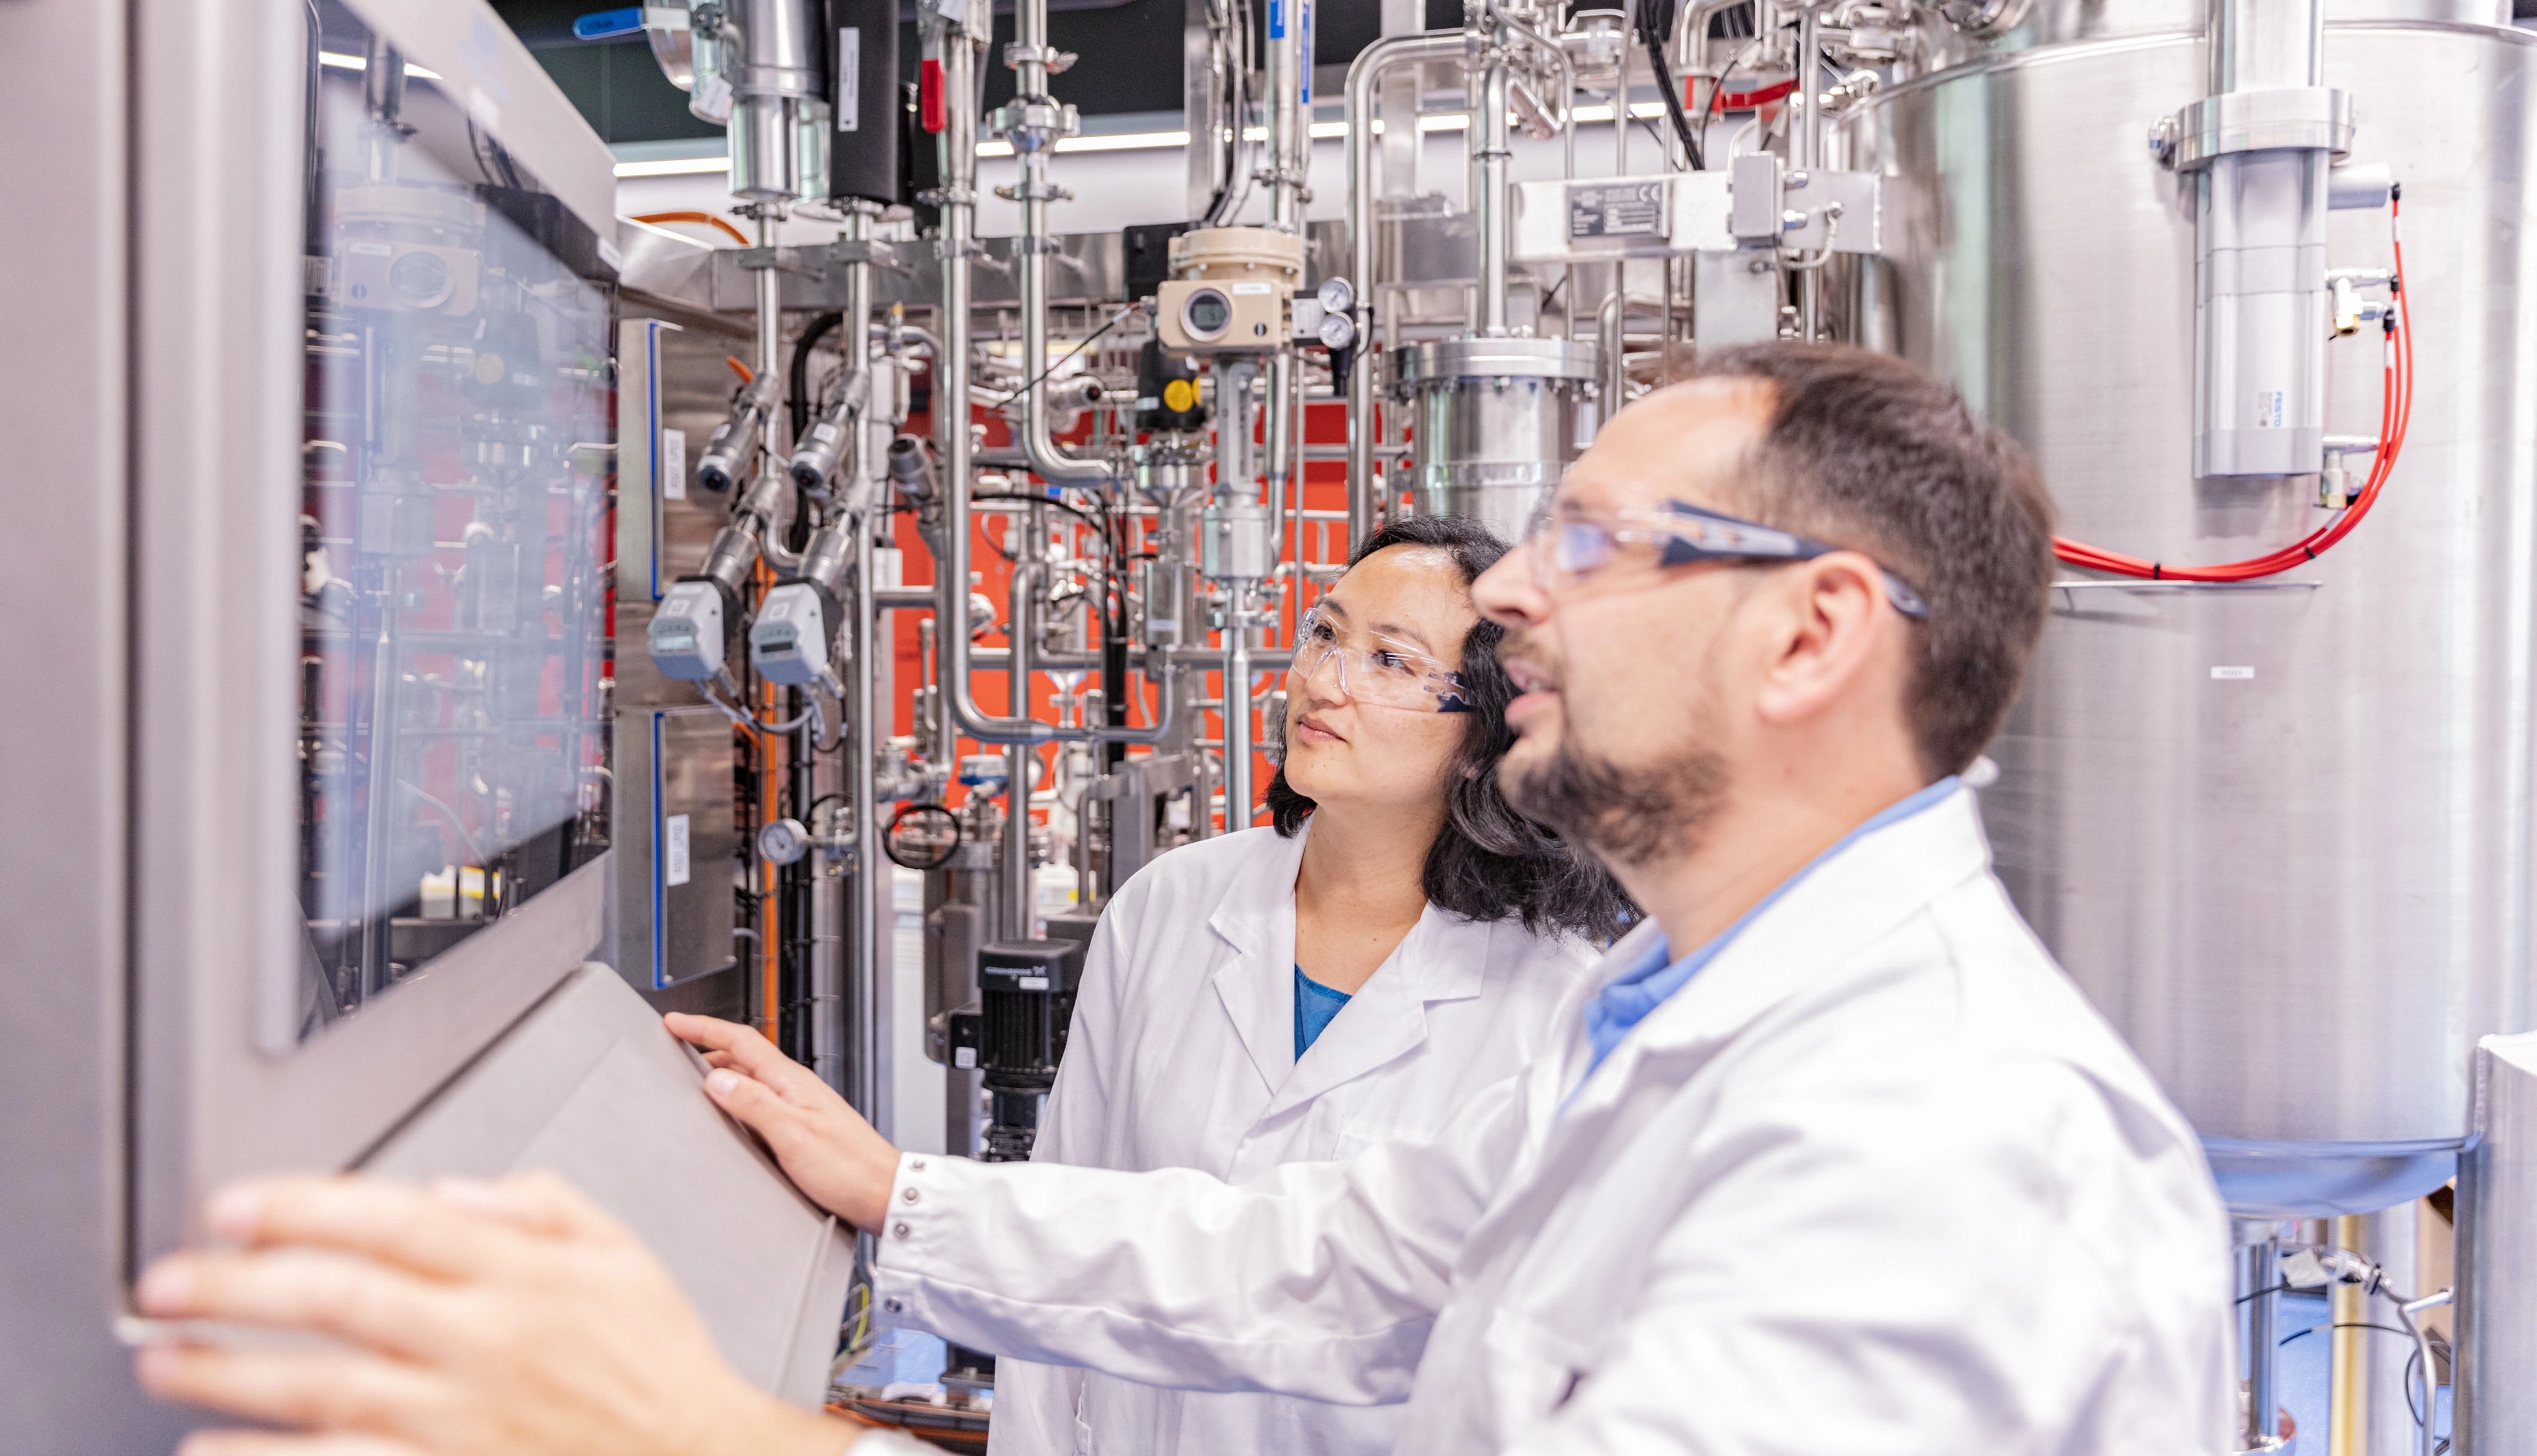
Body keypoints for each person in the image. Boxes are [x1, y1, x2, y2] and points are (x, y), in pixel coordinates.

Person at [133, 341, 2239, 1456]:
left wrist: (705, 1435)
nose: (1508, 594)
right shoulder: (1697, 1031)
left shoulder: (1929, 1148)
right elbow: (1327, 1249)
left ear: (1808, 638)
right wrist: (900, 1193)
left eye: (1591, 543)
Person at [993, 513, 1623, 1456]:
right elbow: (1060, 1219)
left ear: (1487, 730)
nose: (1322, 682)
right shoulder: (1169, 904)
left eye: (1390, 662)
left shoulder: (1556, 996)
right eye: (1325, 633)